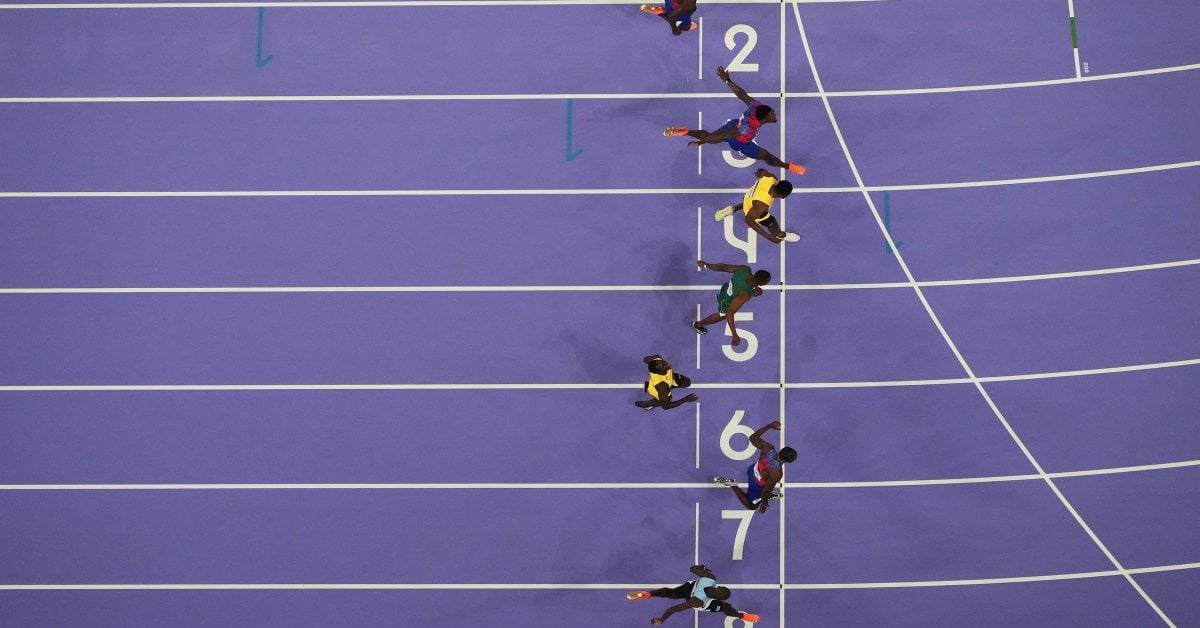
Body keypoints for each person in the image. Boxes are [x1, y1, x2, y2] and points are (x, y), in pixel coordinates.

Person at [665, 66, 806, 174]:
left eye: (773, 112)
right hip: (740, 141)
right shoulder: (747, 130)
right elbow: (725, 135)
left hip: (735, 124)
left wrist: (727, 80)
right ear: (763, 119)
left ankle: (686, 131)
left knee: (709, 135)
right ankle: (789, 166)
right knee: (766, 156)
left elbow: (740, 93)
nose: (775, 115)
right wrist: (701, 143)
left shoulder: (756, 105)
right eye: (772, 116)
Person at [626, 564, 761, 624]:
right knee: (670, 592)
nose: (715, 589)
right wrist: (701, 569)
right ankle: (649, 594)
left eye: (717, 591)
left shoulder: (707, 587)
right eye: (718, 589)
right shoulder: (707, 585)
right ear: (718, 588)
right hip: (692, 591)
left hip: (695, 594)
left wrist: (662, 619)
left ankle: (742, 616)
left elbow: (674, 609)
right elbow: (692, 569)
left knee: (726, 607)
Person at [714, 421, 796, 514]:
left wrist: (768, 426)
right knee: (752, 505)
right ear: (789, 461)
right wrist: (764, 503)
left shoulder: (768, 448)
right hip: (756, 485)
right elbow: (766, 490)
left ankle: (767, 496)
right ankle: (733, 485)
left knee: (766, 487)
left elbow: (753, 438)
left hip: (751, 470)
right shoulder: (777, 473)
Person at [691, 260, 769, 346]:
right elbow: (730, 314)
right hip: (726, 301)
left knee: (757, 292)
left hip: (725, 288)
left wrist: (706, 265)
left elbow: (723, 267)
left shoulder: (744, 269)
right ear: (762, 284)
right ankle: (698, 325)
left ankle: (720, 298)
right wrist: (734, 335)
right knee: (723, 315)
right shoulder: (744, 295)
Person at [714, 168, 800, 244]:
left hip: (748, 197)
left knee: (751, 204)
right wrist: (767, 236)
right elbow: (749, 219)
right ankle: (781, 235)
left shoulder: (771, 178)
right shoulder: (763, 205)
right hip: (753, 208)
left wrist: (760, 173)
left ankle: (732, 209)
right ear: (783, 196)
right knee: (772, 223)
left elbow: (762, 171)